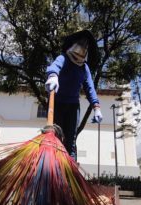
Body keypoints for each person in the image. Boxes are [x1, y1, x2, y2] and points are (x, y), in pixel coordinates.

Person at [45, 30, 103, 161]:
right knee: (55, 136)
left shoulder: (84, 68)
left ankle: (70, 170)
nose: (82, 47)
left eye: (85, 45)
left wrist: (96, 107)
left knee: (71, 140)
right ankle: (52, 168)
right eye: (80, 43)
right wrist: (53, 75)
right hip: (57, 104)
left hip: (73, 107)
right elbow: (54, 66)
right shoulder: (63, 58)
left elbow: (90, 88)